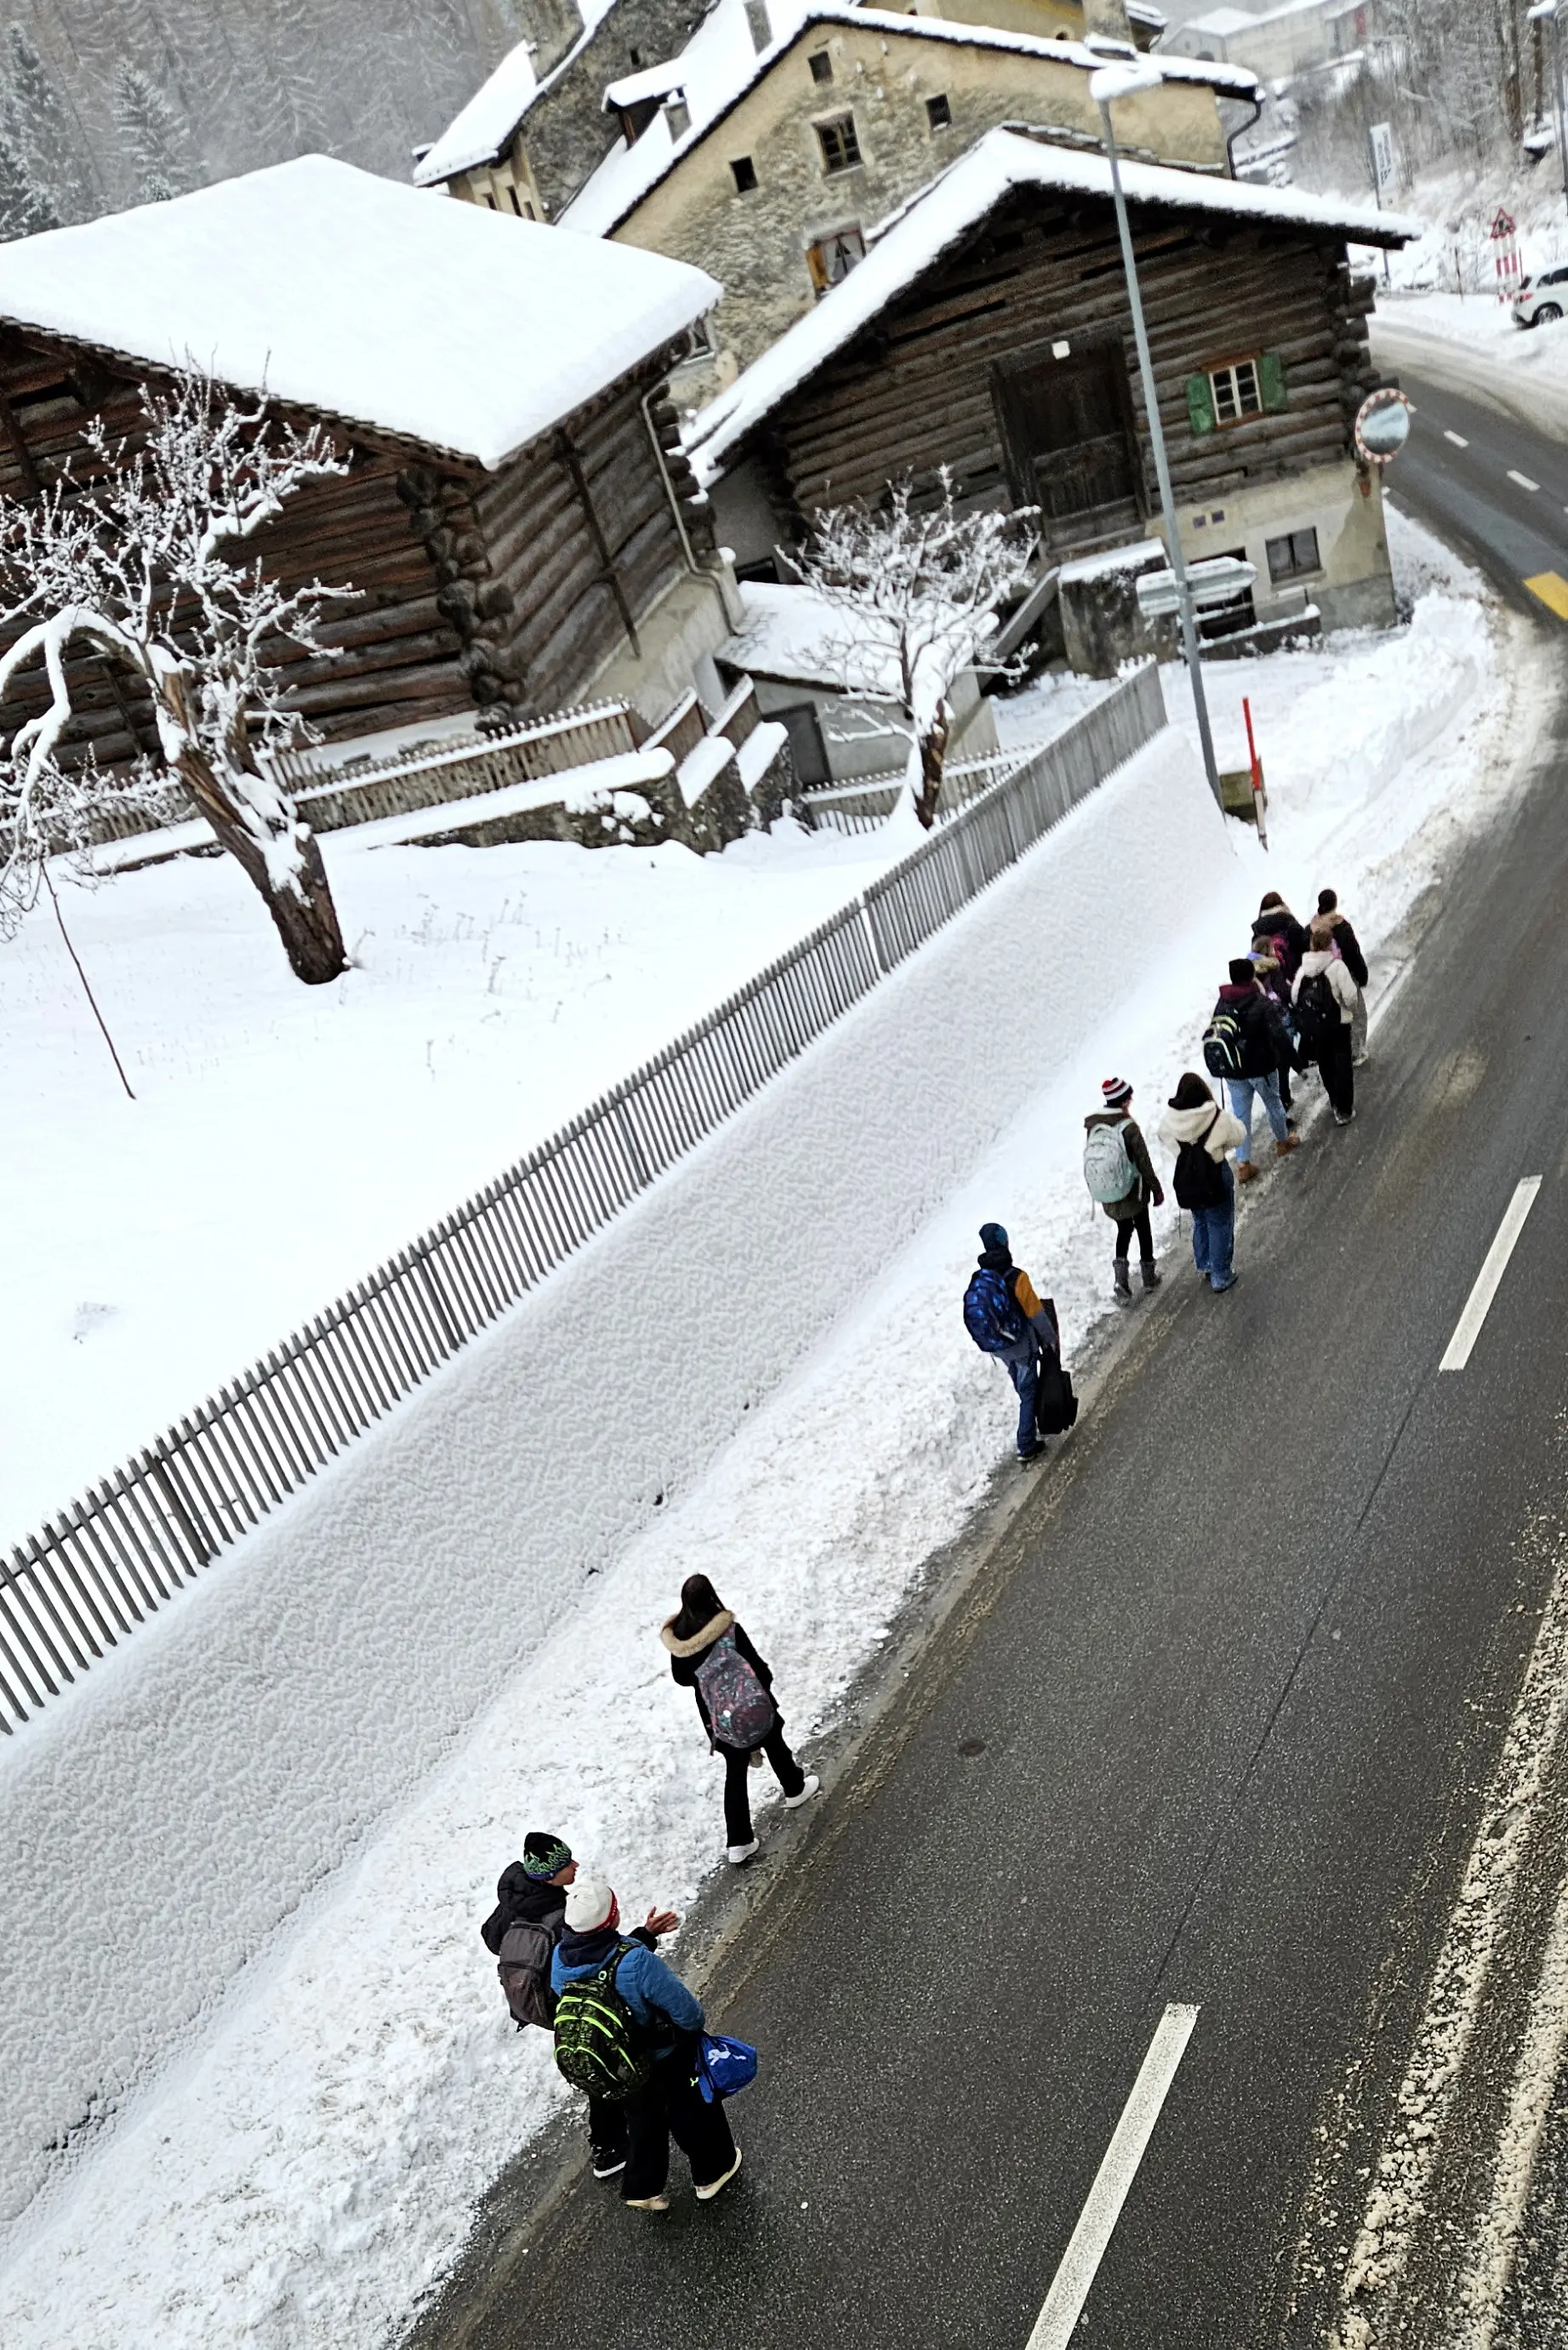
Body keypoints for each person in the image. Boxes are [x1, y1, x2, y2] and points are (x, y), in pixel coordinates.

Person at [482, 1833, 677, 2182]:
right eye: (566, 1864)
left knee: (587, 2057)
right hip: (566, 1997)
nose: (575, 1866)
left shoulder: (515, 1896)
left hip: (539, 2000)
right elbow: (598, 1959)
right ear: (548, 1875)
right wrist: (644, 1937)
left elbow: (490, 1936)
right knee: (603, 2057)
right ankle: (612, 2146)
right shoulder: (558, 1916)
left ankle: (608, 2143)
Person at [551, 1874, 743, 2213]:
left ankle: (643, 2187)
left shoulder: (559, 1959)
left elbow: (600, 1966)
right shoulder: (636, 1961)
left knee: (643, 2120)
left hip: (619, 2062)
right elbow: (689, 2014)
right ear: (611, 1918)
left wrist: (646, 1934)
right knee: (693, 2112)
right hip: (663, 2057)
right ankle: (713, 2172)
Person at [661, 1573, 820, 1864]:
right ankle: (794, 1788)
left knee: (735, 1772)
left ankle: (739, 1840)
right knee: (775, 1742)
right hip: (752, 1705)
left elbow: (682, 1678)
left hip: (717, 1718)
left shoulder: (680, 1642)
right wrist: (764, 1691)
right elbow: (756, 1665)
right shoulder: (728, 1629)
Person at [963, 1221, 1063, 1461]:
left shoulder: (982, 1276)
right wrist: (1050, 1338)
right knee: (1028, 1390)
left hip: (1001, 1346)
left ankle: (1029, 1417)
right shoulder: (1017, 1277)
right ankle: (1026, 1444)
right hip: (1020, 1344)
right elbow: (1035, 1313)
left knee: (1021, 1384)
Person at [1206, 958, 1301, 1183]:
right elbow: (1279, 1035)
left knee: (1241, 1116)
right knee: (1273, 1104)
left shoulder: (1223, 1002)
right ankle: (1283, 1141)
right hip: (1261, 1068)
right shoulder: (1260, 1003)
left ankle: (1243, 1163)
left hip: (1234, 1072)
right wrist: (1296, 1061)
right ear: (1251, 977)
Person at [1159, 1074, 1246, 1293]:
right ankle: (1221, 1275)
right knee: (1220, 1222)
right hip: (1215, 1176)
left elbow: (1164, 1138)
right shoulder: (1216, 1117)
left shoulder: (1170, 1121)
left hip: (1188, 1179)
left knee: (1200, 1220)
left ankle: (1206, 1263)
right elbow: (1239, 1136)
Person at [1083, 1076, 1165, 1303]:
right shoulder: (1128, 1127)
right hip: (1133, 1192)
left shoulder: (1094, 1127)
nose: (1131, 1100)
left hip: (1109, 1193)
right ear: (1123, 1100)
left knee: (1124, 1230)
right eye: (1128, 1097)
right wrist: (1156, 1189)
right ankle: (1149, 1279)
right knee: (1143, 1230)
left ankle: (1121, 1282)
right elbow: (1143, 1163)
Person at [1294, 920, 1359, 1123]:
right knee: (1343, 1064)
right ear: (1330, 944)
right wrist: (1350, 1010)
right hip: (1338, 1022)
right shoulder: (1337, 966)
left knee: (1326, 1064)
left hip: (1316, 1027)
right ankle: (1345, 1109)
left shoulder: (1303, 970)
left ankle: (1334, 1102)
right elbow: (1350, 996)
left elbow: (1295, 997)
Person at [1315, 887, 1370, 1064]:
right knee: (1357, 1014)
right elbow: (1353, 954)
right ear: (1335, 903)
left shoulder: (1312, 928)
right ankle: (1356, 1052)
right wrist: (1362, 975)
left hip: (1322, 980)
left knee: (1335, 1018)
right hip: (1344, 977)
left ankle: (1337, 1052)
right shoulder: (1342, 928)